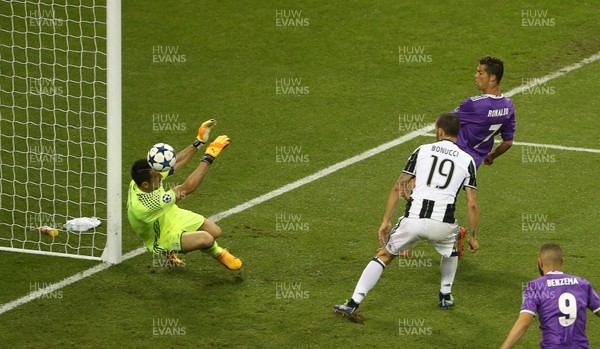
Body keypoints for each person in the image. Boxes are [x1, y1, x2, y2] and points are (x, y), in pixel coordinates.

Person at [333, 113, 479, 321]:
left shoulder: (422, 150)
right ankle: (445, 295)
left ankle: (353, 302)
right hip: (443, 225)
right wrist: (473, 236)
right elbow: (472, 203)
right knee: (453, 247)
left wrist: (386, 220)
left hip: (413, 220)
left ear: (439, 131)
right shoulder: (467, 160)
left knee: (384, 256)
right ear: (458, 133)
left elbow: (398, 186)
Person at [127, 119, 242, 270]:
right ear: (145, 185)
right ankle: (216, 253)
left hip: (170, 215)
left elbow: (173, 165)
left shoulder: (142, 180)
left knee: (215, 232)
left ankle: (185, 244)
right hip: (162, 237)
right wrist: (209, 157)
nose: (162, 176)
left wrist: (198, 142)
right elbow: (188, 188)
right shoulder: (147, 205)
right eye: (158, 176)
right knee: (206, 239)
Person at [500, 243, 600, 348]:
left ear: (540, 261)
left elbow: (524, 323)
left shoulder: (535, 286)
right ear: (562, 262)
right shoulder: (582, 284)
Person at [454, 56, 516, 168]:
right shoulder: (508, 106)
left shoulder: (474, 104)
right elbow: (508, 142)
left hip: (454, 159)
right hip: (472, 165)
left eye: (480, 73)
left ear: (492, 78)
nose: (476, 76)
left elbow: (444, 123)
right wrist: (492, 155)